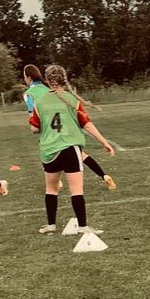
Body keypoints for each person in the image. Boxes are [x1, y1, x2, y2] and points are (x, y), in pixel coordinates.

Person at [32, 64, 115, 236]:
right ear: (65, 79)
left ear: (47, 81)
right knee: (76, 190)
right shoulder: (72, 99)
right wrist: (104, 142)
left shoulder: (39, 102)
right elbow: (86, 123)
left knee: (51, 189)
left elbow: (34, 128)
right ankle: (83, 226)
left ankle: (51, 225)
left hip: (49, 151)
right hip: (70, 148)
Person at [23, 65, 116, 191]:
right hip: (66, 126)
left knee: (49, 153)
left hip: (51, 131)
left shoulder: (29, 94)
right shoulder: (47, 85)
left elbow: (34, 119)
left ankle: (57, 181)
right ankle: (103, 175)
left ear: (28, 78)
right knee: (81, 155)